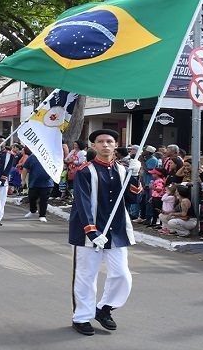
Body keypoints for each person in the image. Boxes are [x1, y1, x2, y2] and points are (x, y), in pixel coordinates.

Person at [69, 129, 142, 336]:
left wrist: (135, 176)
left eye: (109, 141)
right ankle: (81, 317)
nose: (105, 145)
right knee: (86, 276)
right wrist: (92, 231)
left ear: (116, 145)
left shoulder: (123, 170)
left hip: (116, 230)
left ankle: (104, 308)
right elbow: (82, 204)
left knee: (122, 275)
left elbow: (134, 199)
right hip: (89, 232)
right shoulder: (85, 171)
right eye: (100, 141)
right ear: (94, 146)